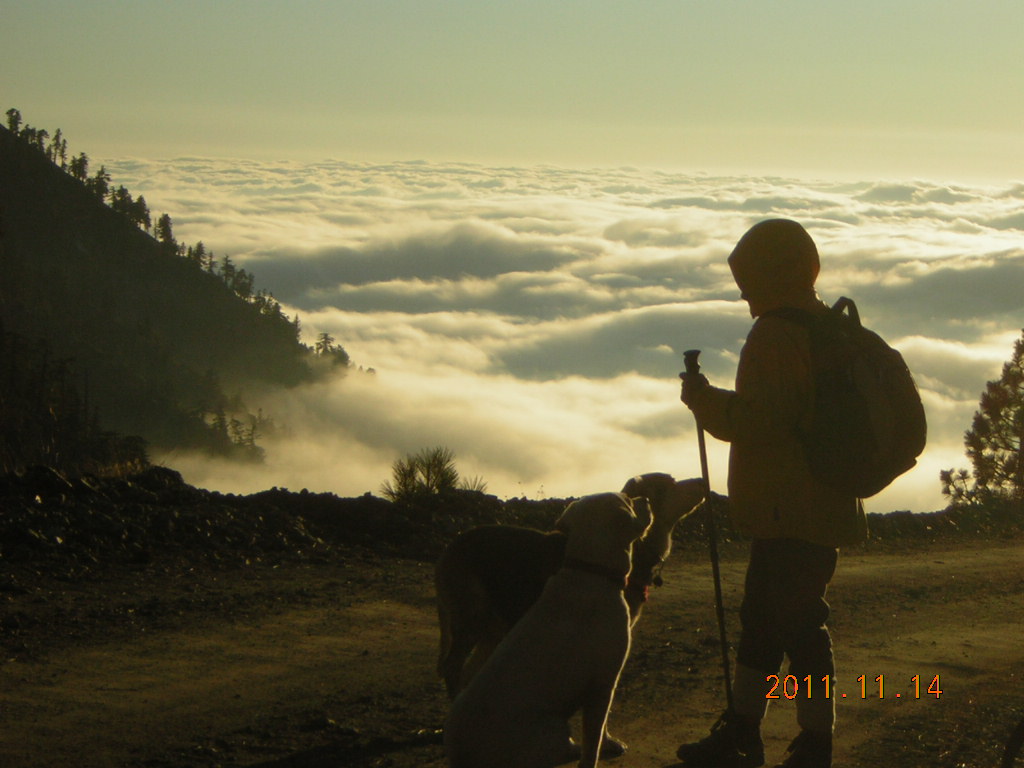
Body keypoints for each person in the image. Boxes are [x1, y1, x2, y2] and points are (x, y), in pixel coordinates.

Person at [677, 219, 867, 768]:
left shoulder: (776, 334)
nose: (742, 291)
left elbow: (763, 421)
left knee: (793, 622)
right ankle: (752, 730)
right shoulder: (825, 325)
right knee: (770, 617)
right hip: (822, 501)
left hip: (790, 505)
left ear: (771, 273)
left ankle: (803, 741)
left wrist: (704, 400)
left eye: (748, 278)